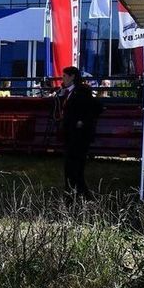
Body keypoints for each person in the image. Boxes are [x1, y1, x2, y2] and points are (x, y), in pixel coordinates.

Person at [56, 66, 100, 199]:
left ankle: (77, 194)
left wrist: (82, 121)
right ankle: (75, 193)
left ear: (72, 76)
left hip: (79, 136)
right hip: (70, 135)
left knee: (75, 167)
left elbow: (93, 108)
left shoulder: (82, 91)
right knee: (71, 167)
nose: (62, 79)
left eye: (64, 76)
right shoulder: (69, 92)